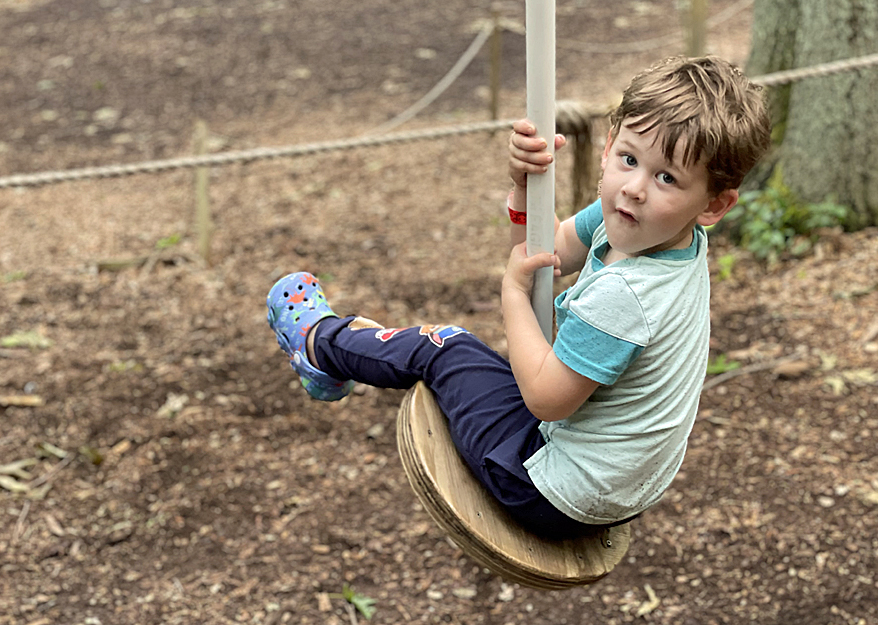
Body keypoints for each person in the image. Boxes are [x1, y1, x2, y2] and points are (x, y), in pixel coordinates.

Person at [266, 55, 772, 539]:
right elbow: (546, 252)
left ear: (714, 205)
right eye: (629, 158)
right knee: (478, 355)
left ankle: (317, 343)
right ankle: (338, 358)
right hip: (616, 486)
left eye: (666, 177)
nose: (634, 188)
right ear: (608, 143)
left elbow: (546, 401)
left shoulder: (628, 296)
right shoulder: (654, 229)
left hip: (548, 492)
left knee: (444, 347)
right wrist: (523, 186)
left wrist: (512, 292)